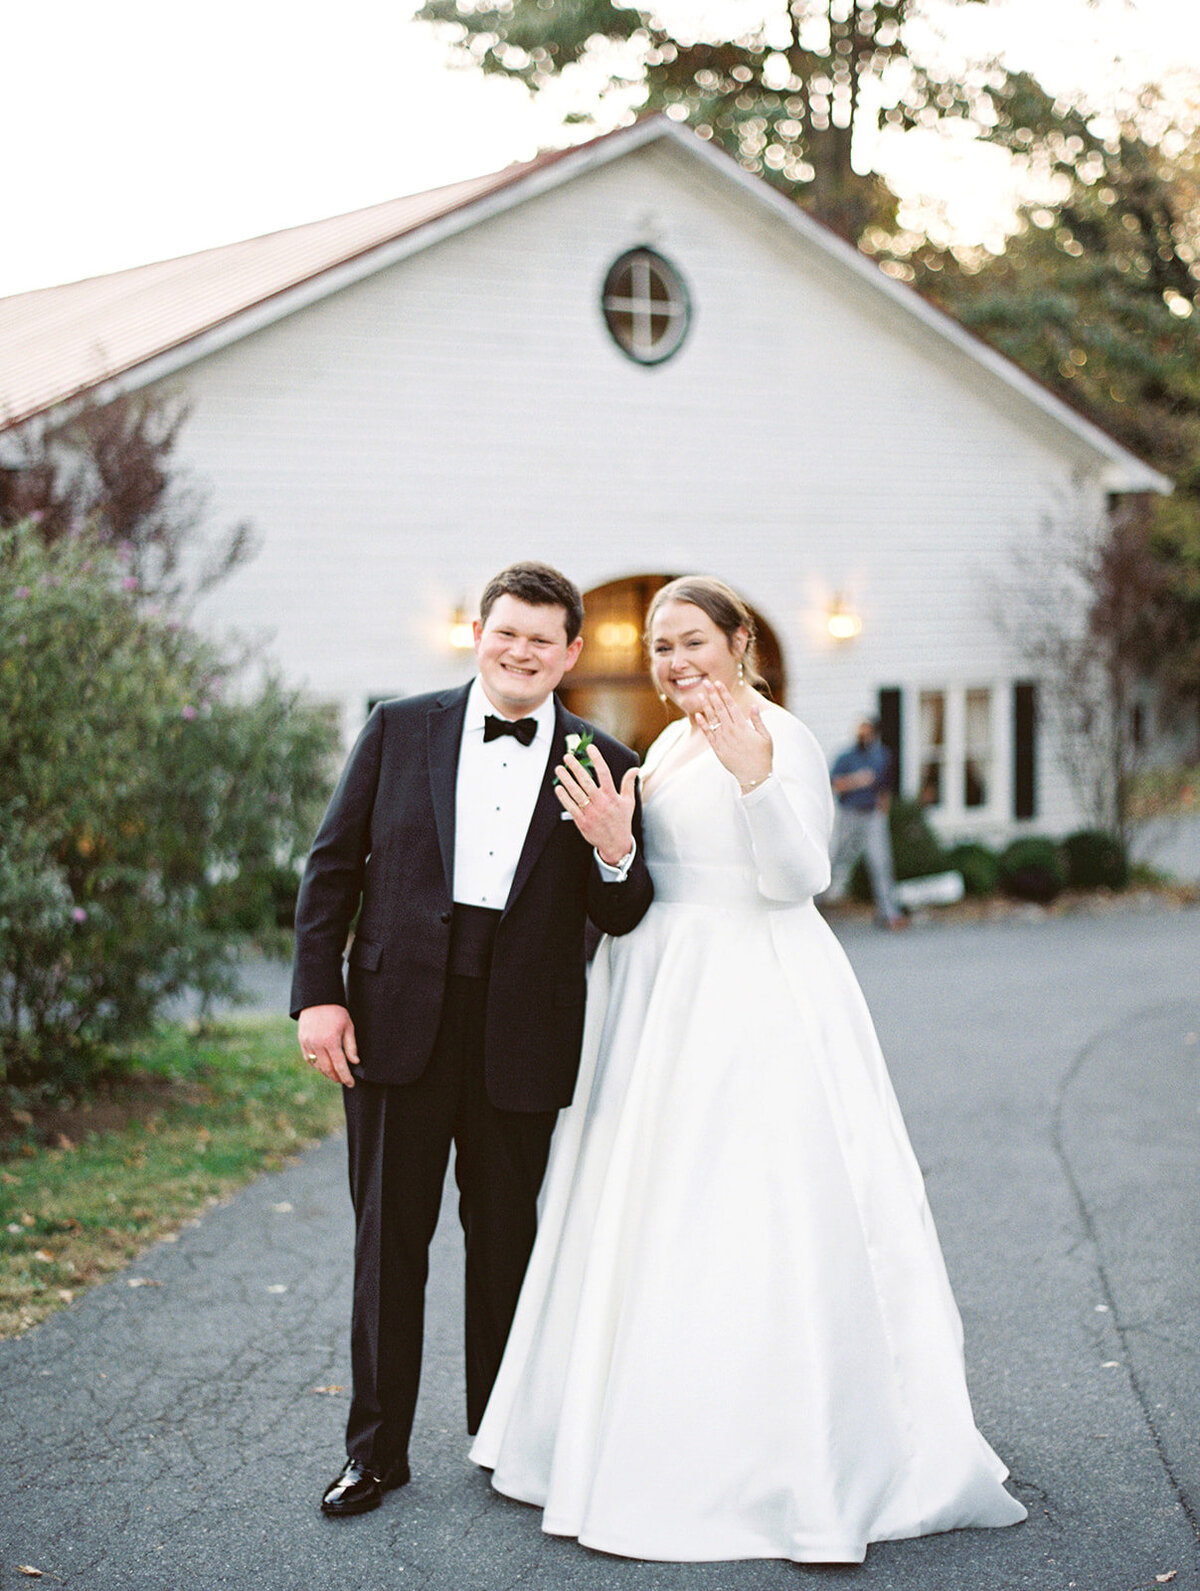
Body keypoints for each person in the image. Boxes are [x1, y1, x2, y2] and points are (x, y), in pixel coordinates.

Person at [471, 576, 1026, 1565]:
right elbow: (643, 882)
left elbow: (800, 878)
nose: (674, 661)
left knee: (744, 1208)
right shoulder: (668, 742)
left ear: (740, 644)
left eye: (691, 642)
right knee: (643, 1209)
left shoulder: (781, 735)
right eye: (658, 647)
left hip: (752, 993)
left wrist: (757, 777)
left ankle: (783, 1459)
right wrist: (611, 847)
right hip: (658, 992)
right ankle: (624, 1428)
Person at [290, 561, 653, 1517]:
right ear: (478, 634)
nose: (521, 651)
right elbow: (331, 868)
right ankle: (374, 1452)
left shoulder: (604, 760)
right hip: (394, 1024)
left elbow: (623, 912)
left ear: (571, 652)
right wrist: (315, 997)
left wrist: (617, 846)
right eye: (507, 633)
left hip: (520, 1035)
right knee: (388, 1244)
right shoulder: (398, 728)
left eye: (543, 638)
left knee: (505, 1244)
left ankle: (504, 1442)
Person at [826, 716, 904, 927]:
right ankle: (813, 905)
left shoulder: (881, 756)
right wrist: (858, 780)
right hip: (849, 814)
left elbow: (885, 785)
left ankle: (889, 913)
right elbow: (834, 784)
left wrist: (883, 809)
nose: (862, 735)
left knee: (880, 863)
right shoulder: (846, 757)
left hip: (872, 816)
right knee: (835, 859)